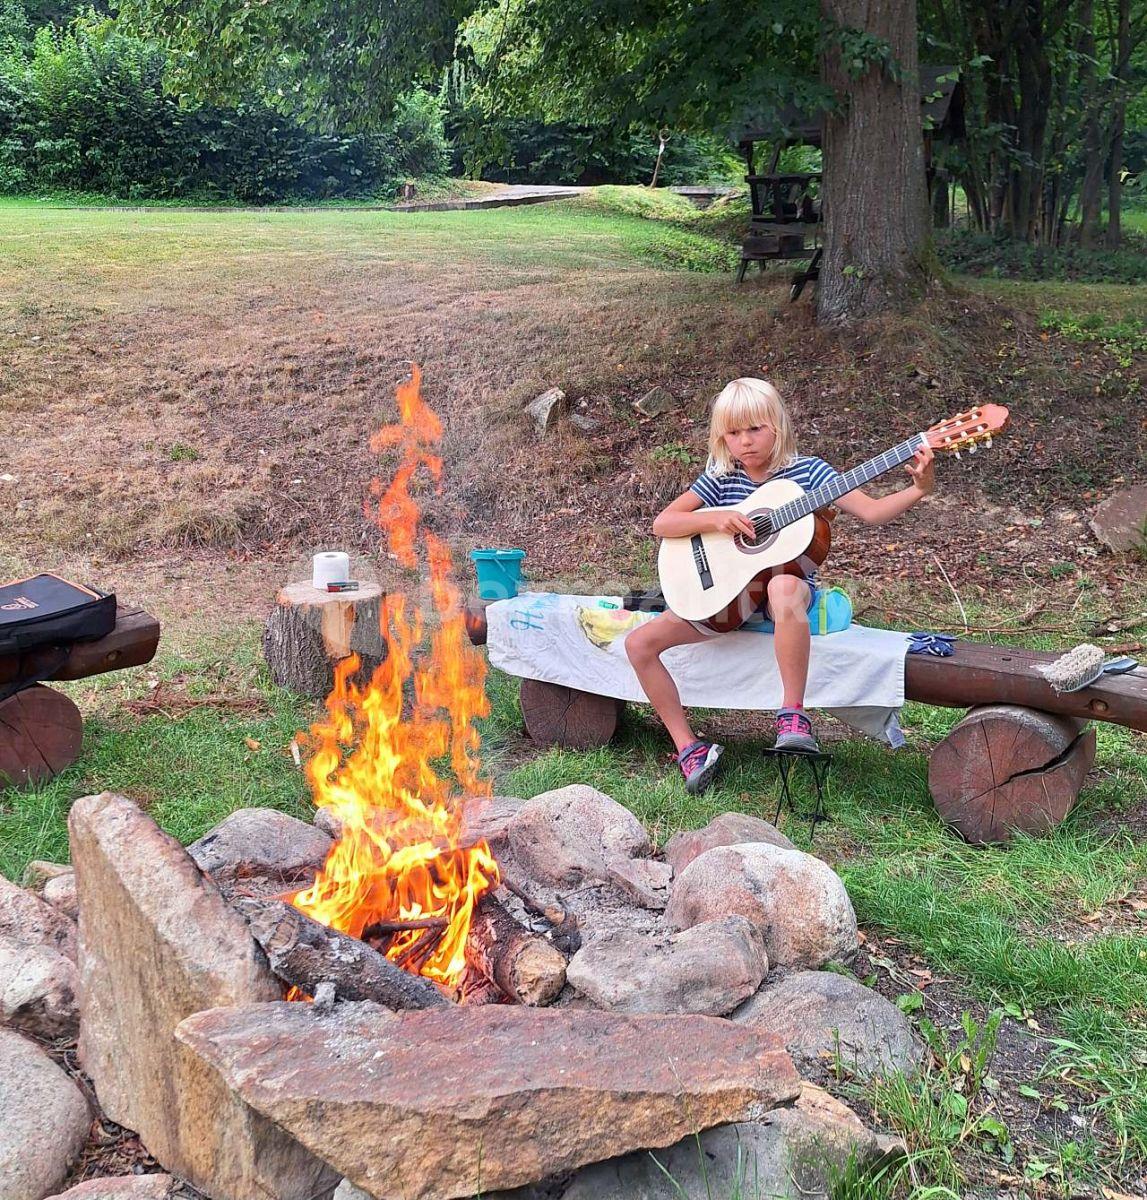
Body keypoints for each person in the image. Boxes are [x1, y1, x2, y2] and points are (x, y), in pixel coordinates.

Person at [624, 377, 935, 795]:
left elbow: (873, 512)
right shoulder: (720, 477)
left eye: (755, 429)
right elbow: (664, 523)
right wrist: (715, 519)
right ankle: (689, 749)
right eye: (733, 433)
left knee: (782, 587)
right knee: (638, 644)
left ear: (778, 425)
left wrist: (919, 488)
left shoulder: (808, 473)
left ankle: (792, 716)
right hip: (728, 596)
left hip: (786, 590)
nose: (745, 442)